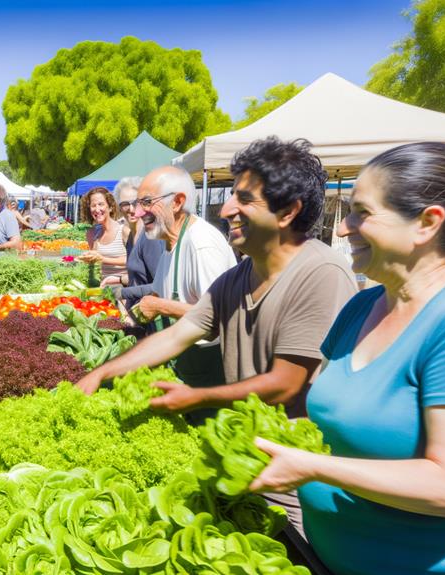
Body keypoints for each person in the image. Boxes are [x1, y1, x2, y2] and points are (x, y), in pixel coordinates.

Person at [76, 137, 357, 530]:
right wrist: (102, 372)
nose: (226, 209)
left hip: (298, 478)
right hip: (242, 458)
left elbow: (287, 383)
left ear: (288, 211)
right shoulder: (236, 278)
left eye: (244, 199)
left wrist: (195, 398)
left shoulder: (321, 273)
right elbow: (178, 334)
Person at [249, 142, 445, 575]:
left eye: (362, 213)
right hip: (324, 555)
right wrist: (260, 436)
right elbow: (334, 422)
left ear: (426, 223)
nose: (342, 229)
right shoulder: (362, 307)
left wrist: (310, 466)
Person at [131, 166, 236, 391]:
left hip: (211, 375)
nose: (138, 212)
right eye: (137, 204)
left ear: (177, 202)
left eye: (147, 202)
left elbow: (219, 317)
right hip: (186, 368)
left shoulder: (201, 244)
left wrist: (160, 305)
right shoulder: (169, 243)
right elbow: (159, 293)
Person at [106, 177, 166, 319]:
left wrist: (122, 293)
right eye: (125, 204)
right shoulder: (131, 237)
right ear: (119, 207)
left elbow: (160, 286)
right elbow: (140, 277)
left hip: (151, 319)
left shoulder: (149, 238)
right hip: (136, 315)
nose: (131, 209)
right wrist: (119, 279)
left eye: (135, 202)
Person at [79, 186, 130, 284]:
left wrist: (103, 259)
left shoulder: (124, 231)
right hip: (100, 285)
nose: (97, 209)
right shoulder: (92, 233)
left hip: (122, 286)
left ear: (110, 207)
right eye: (93, 205)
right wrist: (86, 257)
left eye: (101, 204)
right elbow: (95, 262)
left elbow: (134, 260)